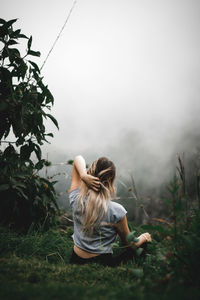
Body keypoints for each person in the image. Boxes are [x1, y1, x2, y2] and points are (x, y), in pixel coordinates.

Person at [69, 155, 151, 267]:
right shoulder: (116, 211)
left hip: (76, 259)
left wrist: (83, 175)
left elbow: (77, 158)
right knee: (141, 246)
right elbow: (131, 245)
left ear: (90, 175)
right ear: (111, 181)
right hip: (102, 262)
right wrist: (144, 237)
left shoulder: (76, 198)